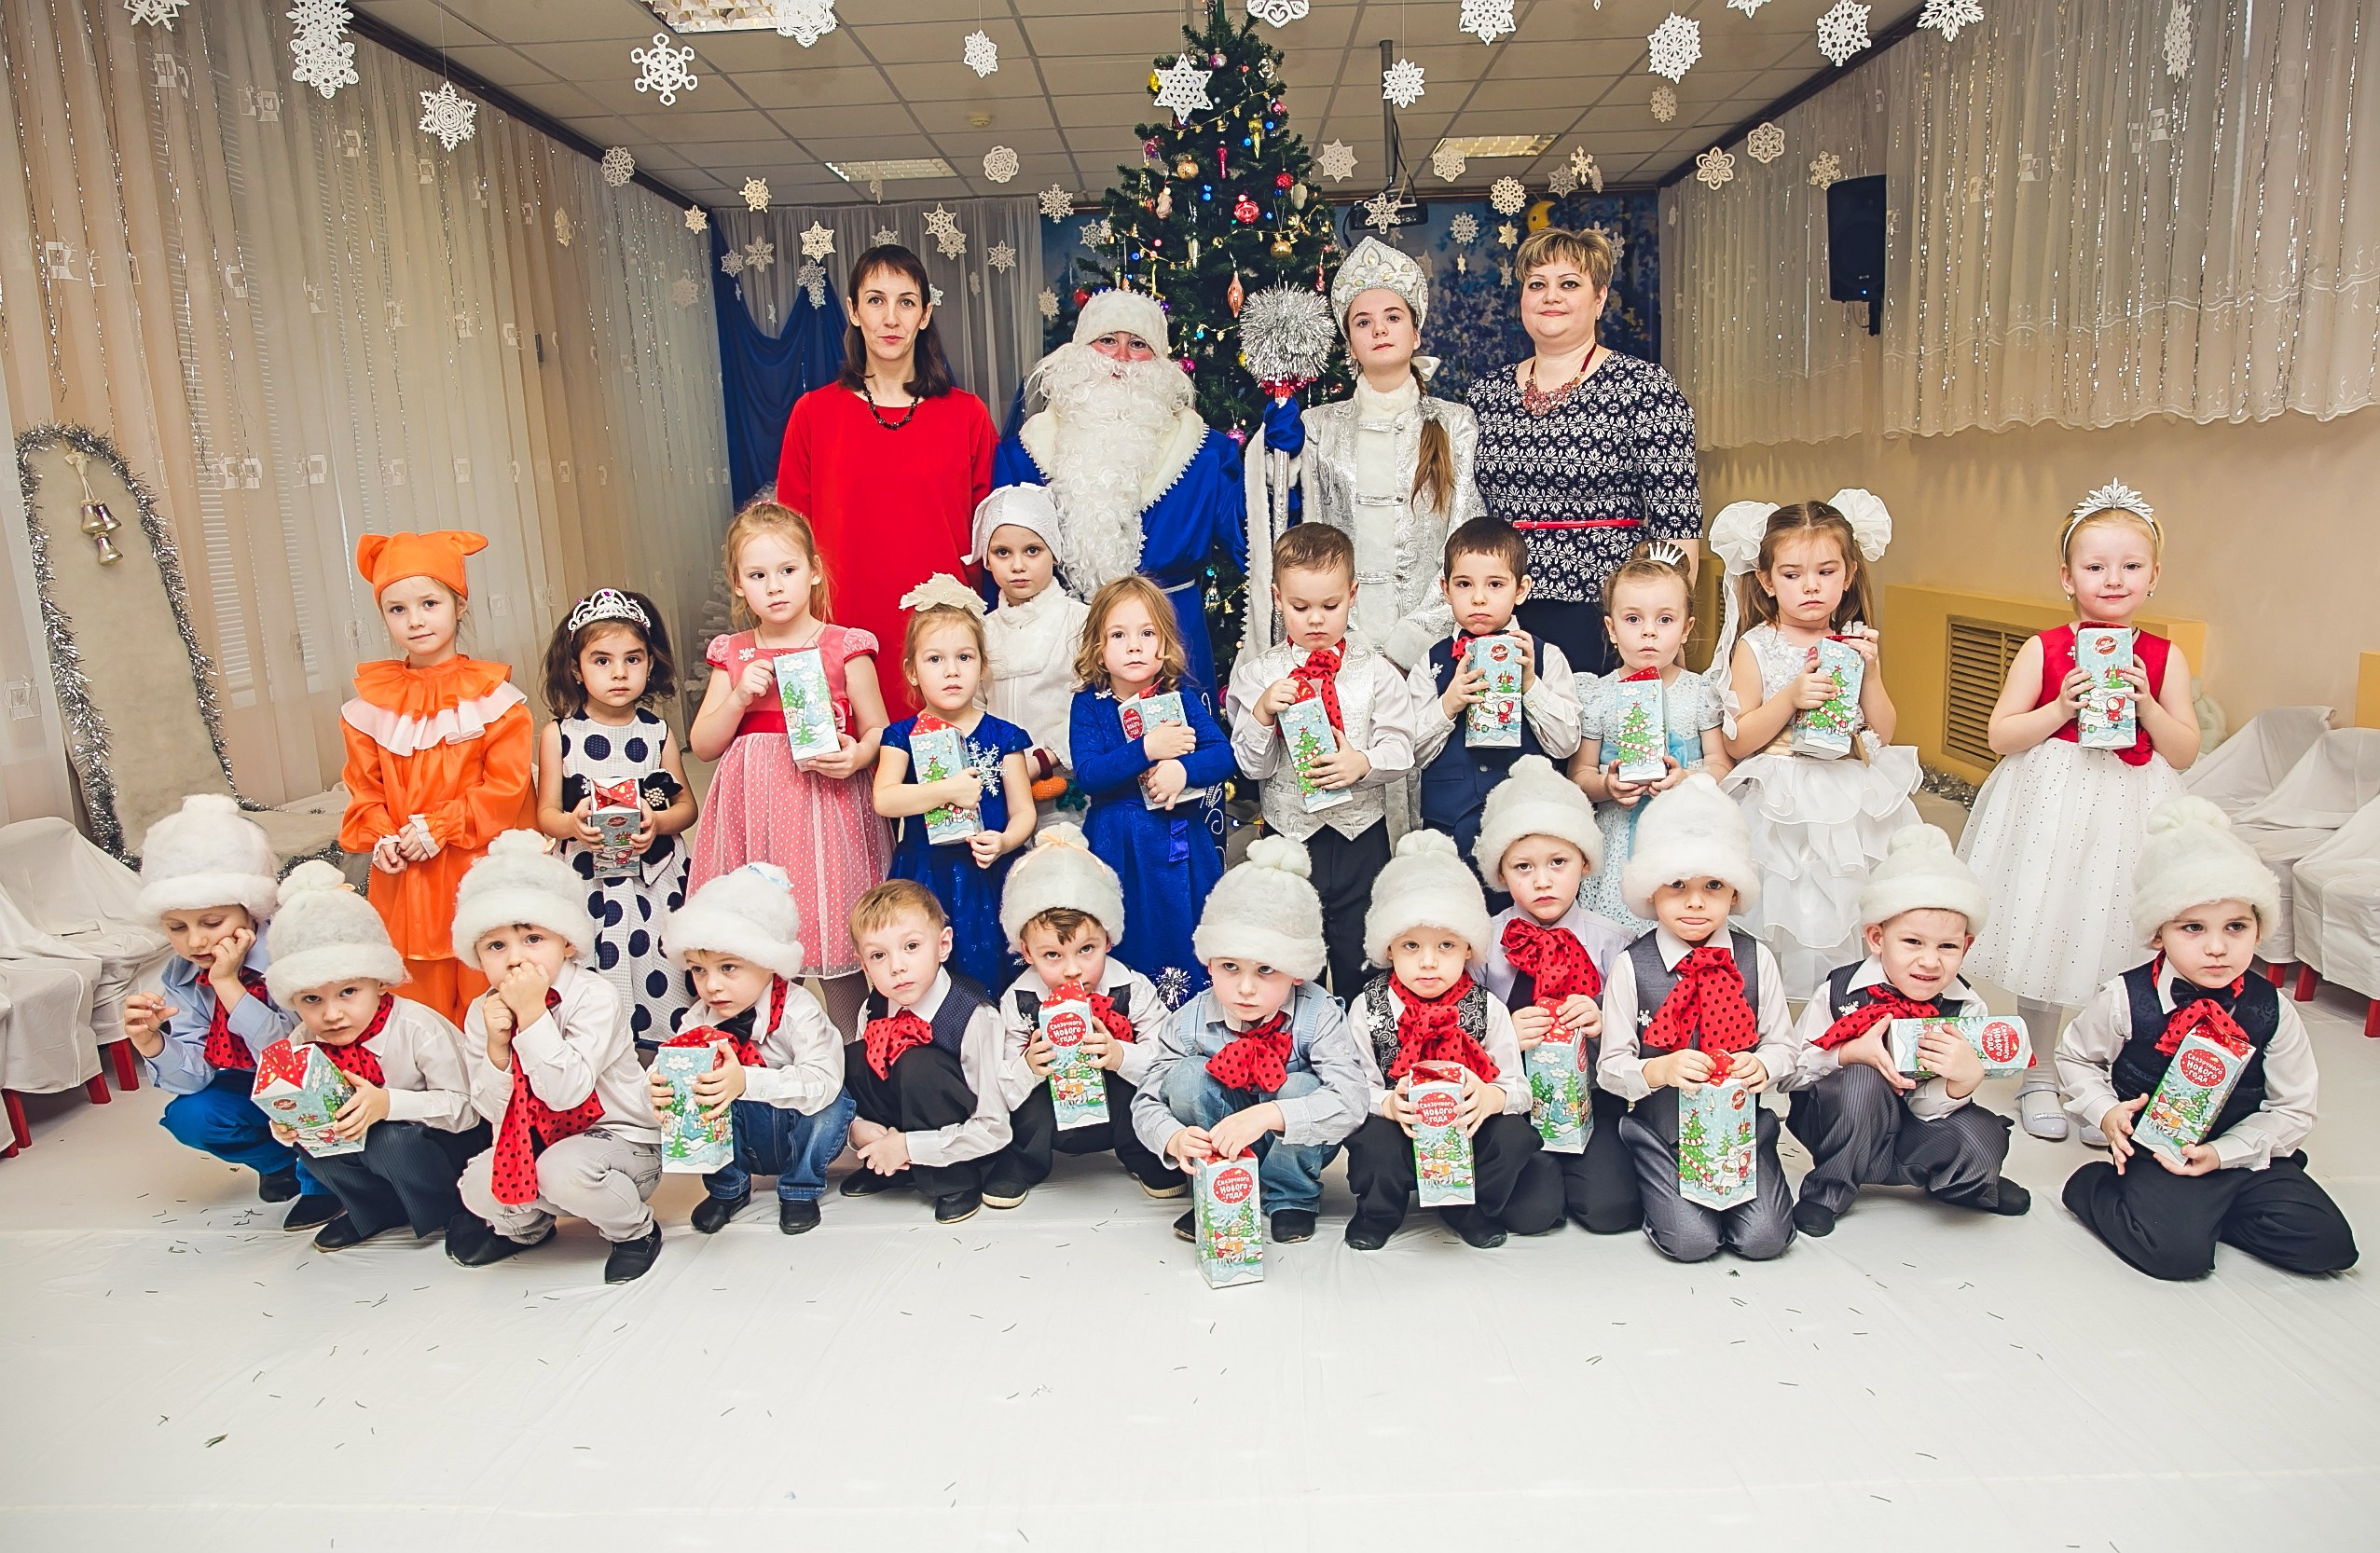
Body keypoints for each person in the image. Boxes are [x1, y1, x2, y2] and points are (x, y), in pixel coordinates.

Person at [1960, 480, 2199, 1143]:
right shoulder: (2044, 647)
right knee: (2047, 922)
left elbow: (2181, 748)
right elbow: (2000, 735)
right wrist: (2058, 707)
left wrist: (2147, 703)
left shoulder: (2163, 655)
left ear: (2153, 576)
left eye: (2129, 566)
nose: (2112, 580)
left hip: (2131, 806)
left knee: (2115, 936)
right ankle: (2038, 1068)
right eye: (2094, 567)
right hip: (2052, 800)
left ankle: (2098, 1077)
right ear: (2066, 577)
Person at [2057, 799, 2357, 1282]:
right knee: (2177, 1259)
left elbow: (2294, 1107)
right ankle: (2094, 1188)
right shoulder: (2123, 997)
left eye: (2235, 927)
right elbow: (2076, 1057)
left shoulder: (2273, 1009)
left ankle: (2209, 1210)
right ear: (2159, 935)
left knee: (2328, 1247)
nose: (2217, 947)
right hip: (2160, 1148)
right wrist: (2105, 1112)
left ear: (2259, 929)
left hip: (2242, 1150)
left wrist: (2227, 1153)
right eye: (2193, 928)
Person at [687, 499, 890, 1034]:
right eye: (757, 575)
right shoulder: (732, 653)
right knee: (764, 945)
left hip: (827, 813)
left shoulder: (845, 646)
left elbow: (879, 730)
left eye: (787, 570)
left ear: (814, 571)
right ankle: (778, 1060)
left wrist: (857, 756)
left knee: (835, 933)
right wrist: (736, 700)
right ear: (737, 584)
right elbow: (702, 745)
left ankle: (850, 1060)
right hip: (755, 816)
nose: (774, 586)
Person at [994, 289, 1251, 709]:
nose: (1121, 358)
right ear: (1079, 352)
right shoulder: (1024, 452)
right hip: (1060, 648)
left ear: (1162, 362)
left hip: (1171, 640)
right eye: (1107, 341)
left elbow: (1255, 540)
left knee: (1179, 764)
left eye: (1138, 345)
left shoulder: (1207, 453)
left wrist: (1281, 467)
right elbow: (1002, 564)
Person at [1711, 494, 1920, 1001]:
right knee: (1787, 900)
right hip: (1780, 792)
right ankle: (1777, 1023)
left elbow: (1884, 729)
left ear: (1848, 575)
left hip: (1847, 790)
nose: (1810, 586)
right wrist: (1790, 698)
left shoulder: (1854, 642)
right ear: (1765, 580)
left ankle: (1840, 1012)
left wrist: (1869, 671)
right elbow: (1737, 740)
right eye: (1791, 574)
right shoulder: (1756, 645)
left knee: (1845, 897)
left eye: (1826, 572)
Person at [1467, 227, 1701, 679]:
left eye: (1569, 284)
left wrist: (1663, 629)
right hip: (1500, 611)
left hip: (1607, 616)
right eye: (1537, 284)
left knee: (1597, 746)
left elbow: (1678, 522)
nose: (1550, 296)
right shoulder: (1485, 394)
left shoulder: (1645, 388)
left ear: (1599, 297)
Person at [777, 243, 993, 721]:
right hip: (841, 627)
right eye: (875, 300)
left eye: (906, 302)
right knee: (844, 775)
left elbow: (988, 538)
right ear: (853, 311)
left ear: (925, 314)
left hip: (938, 633)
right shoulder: (813, 414)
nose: (891, 318)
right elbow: (788, 540)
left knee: (938, 782)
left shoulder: (966, 415)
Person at [1780, 825, 2029, 1238]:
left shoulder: (1965, 1007)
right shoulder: (1841, 990)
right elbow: (1790, 1073)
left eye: (1947, 947)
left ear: (1965, 947)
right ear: (1877, 938)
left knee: (1982, 1136)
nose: (1930, 962)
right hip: (1841, 1120)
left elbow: (1925, 1109)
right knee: (1862, 1080)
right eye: (1913, 942)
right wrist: (1848, 1053)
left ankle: (1963, 1183)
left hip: (1915, 1126)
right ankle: (1828, 1191)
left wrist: (1962, 1083)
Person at [1249, 237, 1484, 674]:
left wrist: (1413, 638)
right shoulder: (1319, 426)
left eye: (1393, 317)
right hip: (1340, 641)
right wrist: (1274, 454)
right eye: (1363, 322)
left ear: (1415, 333)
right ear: (1349, 343)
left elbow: (1465, 542)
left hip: (1434, 640)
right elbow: (1298, 522)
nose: (1379, 330)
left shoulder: (1455, 424)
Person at [446, 831, 665, 1285]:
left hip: (620, 1144)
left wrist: (531, 1015)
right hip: (539, 1146)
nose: (515, 958)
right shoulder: (482, 1011)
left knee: (562, 1169)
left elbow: (567, 1093)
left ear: (566, 941)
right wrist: (497, 1048)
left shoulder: (594, 996)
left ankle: (634, 1231)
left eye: (532, 938)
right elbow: (490, 1111)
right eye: (496, 946)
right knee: (478, 1182)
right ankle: (528, 1230)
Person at [1597, 775, 1798, 1263]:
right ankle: (1664, 1194)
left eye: (1713, 886)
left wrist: (1765, 1067)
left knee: (1765, 1240)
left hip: (1740, 1131)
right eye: (1677, 886)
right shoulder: (1632, 964)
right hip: (1663, 1131)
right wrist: (1658, 1070)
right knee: (1691, 1243)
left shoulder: (1755, 959)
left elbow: (1785, 1046)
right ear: (1650, 892)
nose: (1694, 902)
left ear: (1735, 892)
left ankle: (1750, 1192)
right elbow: (1608, 1066)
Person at [337, 530, 536, 1025]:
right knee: (414, 1005)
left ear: (459, 604)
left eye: (429, 602)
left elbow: (507, 791)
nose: (416, 620)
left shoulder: (497, 703)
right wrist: (382, 835)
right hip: (406, 878)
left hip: (475, 869)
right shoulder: (366, 711)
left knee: (486, 990)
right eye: (397, 609)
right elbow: (365, 791)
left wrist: (442, 827)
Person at [1131, 836, 1369, 1246]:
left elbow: (1352, 1101)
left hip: (1293, 1143)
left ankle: (1290, 1194)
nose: (1245, 988)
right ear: (1208, 963)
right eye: (1229, 967)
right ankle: (1220, 1181)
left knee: (1300, 1085)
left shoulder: (1320, 1013)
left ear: (1297, 971)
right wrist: (1170, 1135)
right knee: (1185, 1077)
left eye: (1265, 970)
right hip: (1220, 1141)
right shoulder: (1191, 1020)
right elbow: (1146, 1100)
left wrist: (1269, 1115)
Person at [117, 795, 335, 1232]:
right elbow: (195, 1078)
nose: (195, 941)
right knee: (189, 1116)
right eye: (177, 928)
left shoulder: (290, 950)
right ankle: (280, 1164)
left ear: (249, 910)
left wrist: (229, 984)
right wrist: (155, 1043)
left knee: (302, 1089)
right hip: (250, 1084)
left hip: (323, 1078)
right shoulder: (180, 976)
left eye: (211, 922)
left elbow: (292, 1059)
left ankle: (325, 1183)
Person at [1341, 831, 1561, 1250]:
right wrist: (1387, 1103)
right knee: (1372, 1143)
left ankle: (1466, 1206)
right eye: (1411, 946)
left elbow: (1519, 1088)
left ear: (1467, 949)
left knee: (1514, 1136)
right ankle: (1378, 1211)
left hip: (1465, 1127)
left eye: (1445, 945)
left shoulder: (1488, 1008)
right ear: (1388, 948)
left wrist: (1491, 1097)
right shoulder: (1368, 1008)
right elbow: (1354, 1087)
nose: (1428, 962)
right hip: (1399, 1129)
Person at [1226, 524, 1419, 999]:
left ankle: (1365, 1057)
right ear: (1276, 597)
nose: (1316, 620)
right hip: (1289, 841)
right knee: (1290, 960)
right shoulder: (1257, 676)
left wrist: (1363, 763)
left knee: (1364, 959)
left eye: (1329, 606)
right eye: (1300, 607)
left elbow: (1402, 749)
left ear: (1352, 595)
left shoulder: (1376, 672)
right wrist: (1262, 713)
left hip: (1360, 839)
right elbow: (1252, 767)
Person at [263, 861, 488, 1252]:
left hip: (447, 1142)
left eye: (348, 992)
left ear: (380, 982)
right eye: (311, 1000)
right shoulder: (304, 1040)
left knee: (389, 1138)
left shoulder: (417, 1027)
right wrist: (287, 1127)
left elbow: (468, 1110)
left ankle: (451, 1207)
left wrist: (388, 1104)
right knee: (320, 1138)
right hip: (373, 1145)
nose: (331, 1014)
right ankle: (376, 1210)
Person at [1474, 755, 1640, 1236]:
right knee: (1533, 1215)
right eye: (1523, 867)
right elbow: (1460, 1029)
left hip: (1593, 1098)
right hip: (1517, 1106)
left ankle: (1594, 1163)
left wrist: (1605, 1019)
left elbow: (1639, 1030)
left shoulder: (1613, 940)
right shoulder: (1483, 942)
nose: (1542, 881)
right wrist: (1503, 1031)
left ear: (1584, 864)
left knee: (1611, 1211)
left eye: (1558, 863)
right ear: (1501, 874)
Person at [653, 862, 853, 1237]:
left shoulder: (799, 1010)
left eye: (728, 968)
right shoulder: (700, 1018)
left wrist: (746, 1080)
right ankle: (728, 1187)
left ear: (769, 964)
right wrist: (659, 1084)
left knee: (836, 1102)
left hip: (795, 1125)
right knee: (697, 1087)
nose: (711, 986)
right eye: (698, 970)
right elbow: (669, 1059)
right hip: (745, 1133)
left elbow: (823, 1080)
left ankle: (800, 1188)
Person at [534, 588, 696, 1048]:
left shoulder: (657, 731)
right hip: (589, 878)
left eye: (633, 659)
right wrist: (573, 825)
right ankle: (600, 1049)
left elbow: (687, 807)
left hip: (653, 875)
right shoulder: (560, 735)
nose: (620, 673)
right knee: (595, 960)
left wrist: (658, 824)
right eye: (602, 660)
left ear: (650, 663)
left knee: (660, 960)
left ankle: (662, 1046)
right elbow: (546, 813)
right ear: (576, 669)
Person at [983, 825, 1176, 1206]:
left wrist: (1121, 1055)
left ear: (1108, 939)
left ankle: (1140, 1153)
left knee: (1132, 1088)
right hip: (1049, 1121)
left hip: (1115, 1116)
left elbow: (1168, 1055)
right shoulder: (1019, 1000)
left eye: (1087, 949)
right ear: (1026, 951)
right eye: (1052, 955)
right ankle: (1024, 1162)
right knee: (1028, 1100)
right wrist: (1028, 1067)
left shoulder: (1131, 988)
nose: (1073, 970)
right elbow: (997, 1080)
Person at [1068, 574, 1236, 1007]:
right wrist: (1146, 748)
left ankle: (1191, 1018)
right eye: (1119, 635)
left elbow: (1222, 755)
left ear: (1164, 644)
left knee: (1183, 926)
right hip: (1118, 844)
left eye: (1147, 633)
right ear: (1099, 649)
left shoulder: (1183, 697)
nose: (1134, 645)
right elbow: (1089, 773)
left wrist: (1182, 770)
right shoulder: (1089, 704)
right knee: (1126, 930)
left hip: (1180, 842)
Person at [873, 575, 1036, 993]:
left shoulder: (1005, 736)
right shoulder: (900, 736)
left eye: (964, 658)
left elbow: (1023, 812)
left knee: (993, 972)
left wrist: (1004, 841)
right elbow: (885, 799)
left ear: (982, 666)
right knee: (925, 970)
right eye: (934, 660)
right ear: (912, 671)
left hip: (989, 873)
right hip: (925, 873)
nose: (951, 671)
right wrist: (946, 791)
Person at [1409, 516, 1581, 891]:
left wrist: (1531, 687)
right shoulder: (1430, 663)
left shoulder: (1547, 657)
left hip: (1528, 835)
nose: (1479, 598)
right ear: (1445, 588)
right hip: (1450, 830)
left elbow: (1567, 743)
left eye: (1496, 584)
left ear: (1521, 590)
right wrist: (1448, 704)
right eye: (1464, 584)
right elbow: (1412, 755)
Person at [1569, 541, 1728, 935]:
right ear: (1611, 627)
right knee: (1617, 935)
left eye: (1665, 620)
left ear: (1687, 627)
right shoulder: (1599, 695)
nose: (1648, 634)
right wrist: (1608, 785)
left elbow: (1722, 766)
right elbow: (1580, 775)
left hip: (1685, 833)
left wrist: (1688, 780)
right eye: (1633, 619)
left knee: (1682, 930)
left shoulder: (1698, 693)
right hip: (1618, 838)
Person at [838, 880, 1011, 1226]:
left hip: (957, 1142)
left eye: (912, 946)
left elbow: (994, 1127)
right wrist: (856, 1130)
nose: (896, 967)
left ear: (943, 944)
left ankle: (953, 1182)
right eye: (878, 956)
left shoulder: (975, 1016)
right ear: (863, 965)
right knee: (854, 1057)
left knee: (919, 1063)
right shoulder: (872, 1008)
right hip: (896, 1134)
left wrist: (909, 1147)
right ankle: (887, 1167)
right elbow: (864, 1088)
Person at [972, 485, 1089, 821]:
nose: (1018, 565)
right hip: (996, 791)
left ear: (1054, 553)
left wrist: (1043, 758)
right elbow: (974, 704)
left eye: (1033, 550)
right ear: (988, 559)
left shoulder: (1080, 621)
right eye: (1003, 553)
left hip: (1065, 792)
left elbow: (1093, 707)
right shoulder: (981, 631)